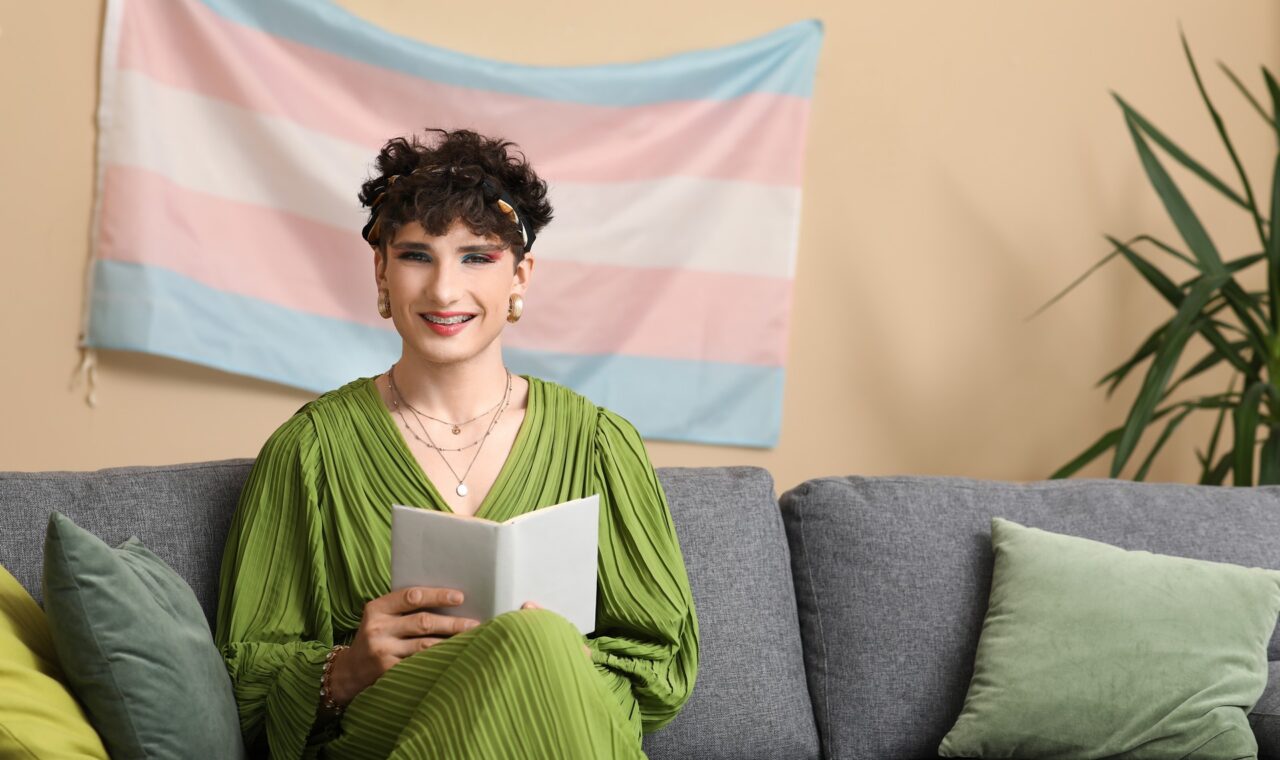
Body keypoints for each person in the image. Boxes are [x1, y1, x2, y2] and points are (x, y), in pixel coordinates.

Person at [214, 128, 700, 759]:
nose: (444, 290)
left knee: (538, 644)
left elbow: (661, 670)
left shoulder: (600, 444)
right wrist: (347, 669)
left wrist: (551, 657)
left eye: (477, 257)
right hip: (389, 732)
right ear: (381, 269)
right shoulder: (311, 451)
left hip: (568, 726)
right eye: (417, 255)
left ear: (520, 275)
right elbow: (245, 686)